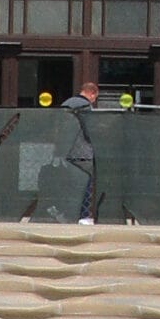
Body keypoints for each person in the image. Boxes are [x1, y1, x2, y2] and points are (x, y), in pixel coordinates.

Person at [60, 79, 100, 222]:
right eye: (95, 98)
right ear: (92, 94)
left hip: (65, 149)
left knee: (68, 184)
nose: (94, 101)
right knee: (85, 184)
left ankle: (66, 213)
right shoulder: (85, 106)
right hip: (82, 151)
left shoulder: (66, 103)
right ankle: (84, 216)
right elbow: (89, 128)